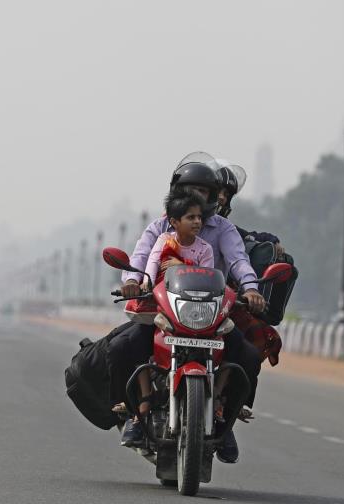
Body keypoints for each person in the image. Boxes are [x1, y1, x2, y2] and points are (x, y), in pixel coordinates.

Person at [110, 155, 265, 464]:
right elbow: (141, 259)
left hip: (210, 312)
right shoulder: (159, 228)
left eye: (203, 193)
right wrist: (131, 280)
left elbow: (238, 261)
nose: (195, 201)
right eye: (189, 191)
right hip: (165, 310)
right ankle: (136, 412)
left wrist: (250, 288)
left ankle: (225, 418)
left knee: (247, 355)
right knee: (119, 348)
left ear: (213, 198)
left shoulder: (222, 230)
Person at [126, 192, 215, 427]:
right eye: (190, 217)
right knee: (136, 342)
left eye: (199, 217)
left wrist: (182, 265)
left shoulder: (205, 249)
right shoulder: (164, 240)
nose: (197, 222)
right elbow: (153, 261)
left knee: (230, 347)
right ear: (174, 222)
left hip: (196, 312)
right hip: (164, 306)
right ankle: (144, 399)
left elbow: (209, 276)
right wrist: (144, 283)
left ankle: (219, 406)